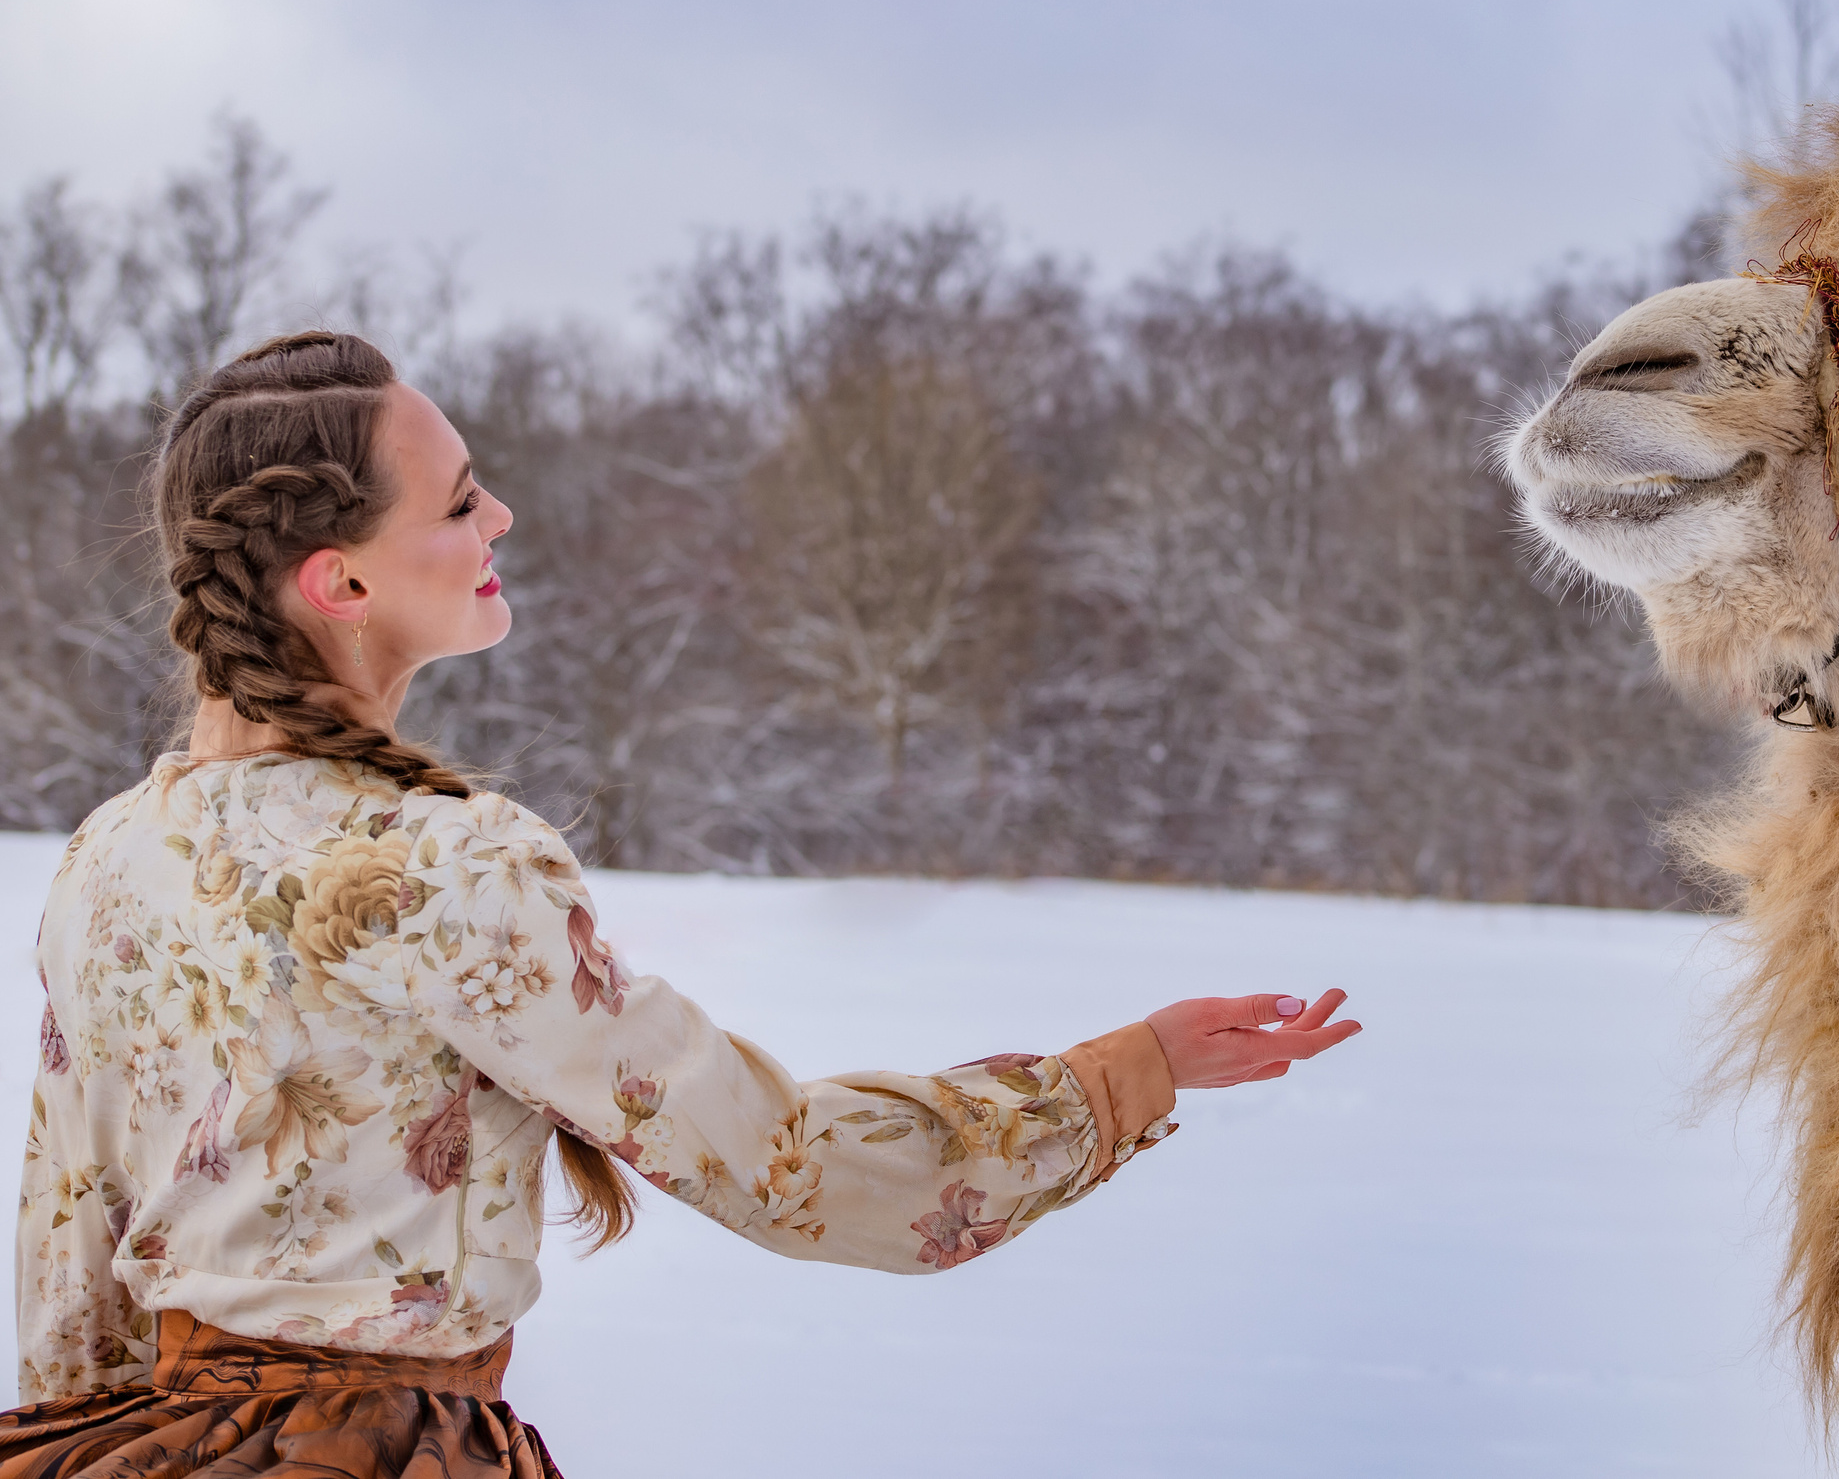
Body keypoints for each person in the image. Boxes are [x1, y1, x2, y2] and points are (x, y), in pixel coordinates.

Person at [4, 332, 1362, 1476]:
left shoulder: (113, 855)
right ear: (340, 582)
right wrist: (1128, 1075)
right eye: (461, 501)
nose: (500, 522)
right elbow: (792, 1172)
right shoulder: (448, 867)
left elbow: (68, 1260)